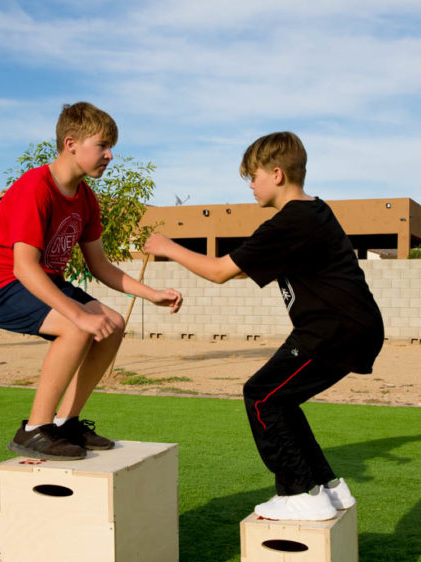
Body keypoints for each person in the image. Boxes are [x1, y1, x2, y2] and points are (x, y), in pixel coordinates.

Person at [143, 131, 384, 521]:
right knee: (280, 398)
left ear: (276, 174)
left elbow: (221, 271)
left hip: (334, 330)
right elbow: (239, 270)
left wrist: (168, 247)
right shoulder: (313, 212)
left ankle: (297, 493)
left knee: (262, 395)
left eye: (252, 177)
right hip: (350, 326)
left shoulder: (291, 222)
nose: (250, 186)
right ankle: (328, 488)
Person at [0, 102, 182, 460]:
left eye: (113, 147)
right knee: (78, 328)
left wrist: (149, 294)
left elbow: (101, 265)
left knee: (113, 323)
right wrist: (78, 317)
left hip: (38, 278)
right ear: (71, 143)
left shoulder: (86, 198)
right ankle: (34, 429)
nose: (110, 155)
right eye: (103, 145)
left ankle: (67, 422)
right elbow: (23, 268)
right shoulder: (35, 187)